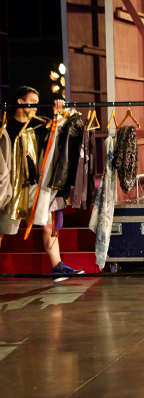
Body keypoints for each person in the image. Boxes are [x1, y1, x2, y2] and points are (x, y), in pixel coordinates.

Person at [0, 86, 79, 282]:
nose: (36, 106)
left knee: (48, 225)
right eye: (32, 101)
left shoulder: (41, 125)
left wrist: (59, 114)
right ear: (20, 101)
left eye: (37, 102)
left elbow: (58, 134)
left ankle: (58, 267)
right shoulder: (6, 128)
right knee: (1, 229)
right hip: (12, 187)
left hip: (35, 186)